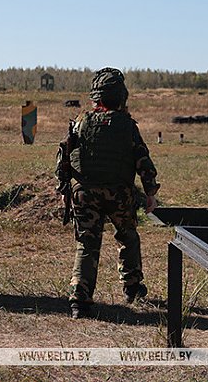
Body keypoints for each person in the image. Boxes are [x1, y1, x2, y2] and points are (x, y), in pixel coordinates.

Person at [55, 67, 160, 319]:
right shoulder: (127, 126)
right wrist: (150, 192)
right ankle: (132, 287)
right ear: (121, 97)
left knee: (87, 244)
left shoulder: (80, 122)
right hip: (119, 194)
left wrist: (63, 189)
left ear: (96, 97)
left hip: (84, 193)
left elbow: (63, 158)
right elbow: (143, 161)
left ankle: (79, 301)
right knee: (128, 237)